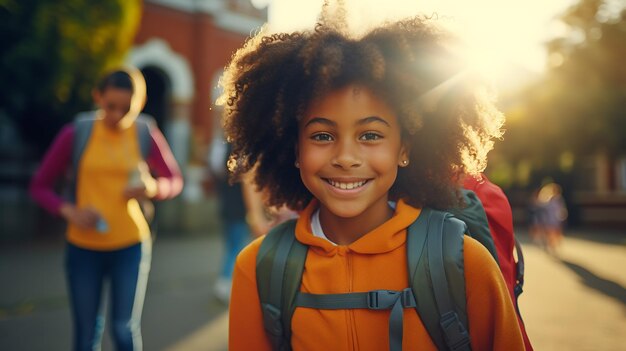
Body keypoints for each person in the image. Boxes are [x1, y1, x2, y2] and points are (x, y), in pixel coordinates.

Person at [219, 10, 525, 351]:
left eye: (370, 135)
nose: (346, 157)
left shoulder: (463, 261)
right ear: (295, 150)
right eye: (322, 136)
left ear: (404, 149)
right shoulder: (259, 269)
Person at [30, 67, 183, 351]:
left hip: (130, 245)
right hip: (83, 246)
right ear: (97, 97)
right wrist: (69, 211)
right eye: (110, 106)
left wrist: (152, 188)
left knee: (123, 330)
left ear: (141, 101)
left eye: (127, 109)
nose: (117, 116)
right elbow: (39, 186)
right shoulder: (76, 132)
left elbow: (174, 180)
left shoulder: (144, 131)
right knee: (87, 334)